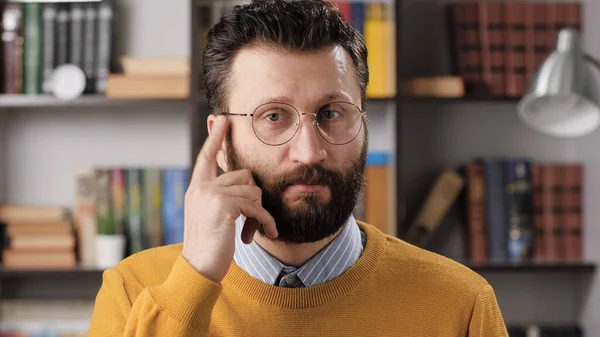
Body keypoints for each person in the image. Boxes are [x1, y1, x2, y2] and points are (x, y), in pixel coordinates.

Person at [87, 0, 509, 336]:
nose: (309, 152)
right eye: (273, 116)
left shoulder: (461, 305)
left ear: (363, 123)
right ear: (219, 139)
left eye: (331, 113)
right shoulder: (133, 291)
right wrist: (194, 280)